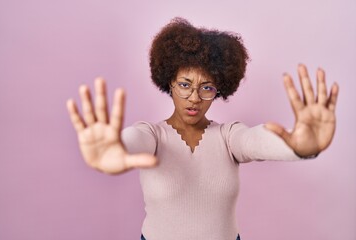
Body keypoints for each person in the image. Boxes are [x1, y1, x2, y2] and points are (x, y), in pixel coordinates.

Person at [66, 18, 339, 240]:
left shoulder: (229, 136)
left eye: (206, 88)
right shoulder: (152, 135)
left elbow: (255, 140)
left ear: (218, 89)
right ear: (169, 83)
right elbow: (132, 141)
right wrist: (114, 149)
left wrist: (300, 148)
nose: (195, 97)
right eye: (185, 84)